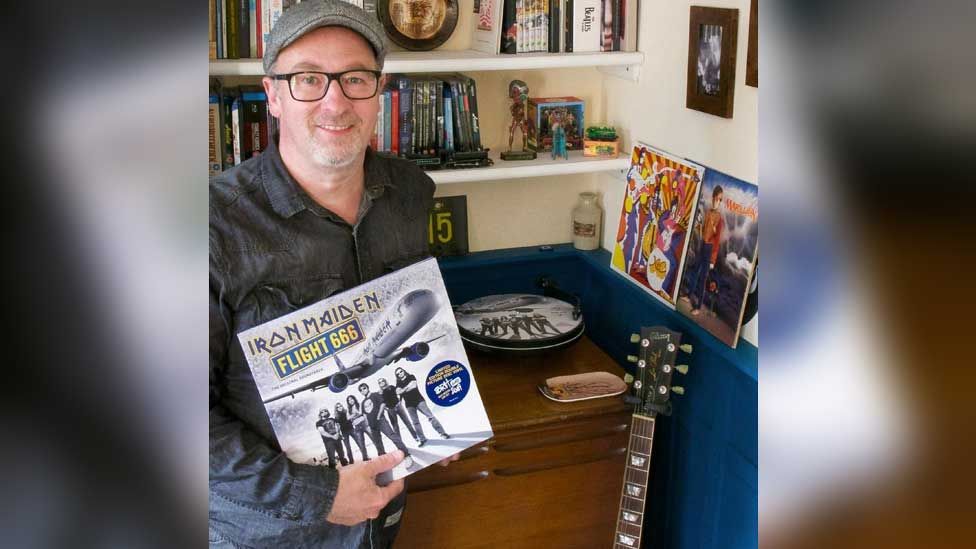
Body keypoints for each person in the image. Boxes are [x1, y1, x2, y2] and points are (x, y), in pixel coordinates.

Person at [209, 1, 457, 546]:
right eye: (308, 79)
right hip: (268, 535)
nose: (335, 100)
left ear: (380, 90)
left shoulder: (411, 193)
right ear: (272, 95)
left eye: (355, 78)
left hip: (384, 513)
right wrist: (321, 496)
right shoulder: (209, 226)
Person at [684, 185, 725, 316]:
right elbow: (702, 230)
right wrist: (699, 225)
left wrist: (712, 259)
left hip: (710, 250)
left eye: (720, 200)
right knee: (695, 271)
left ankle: (698, 306)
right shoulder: (708, 212)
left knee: (703, 278)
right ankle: (689, 295)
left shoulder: (720, 218)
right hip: (702, 244)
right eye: (717, 198)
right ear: (713, 197)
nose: (717, 201)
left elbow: (717, 240)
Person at [394, 366, 450, 446]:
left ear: (404, 371)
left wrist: (403, 390)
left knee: (430, 417)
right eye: (398, 373)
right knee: (415, 422)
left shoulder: (411, 376)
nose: (400, 374)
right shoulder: (398, 383)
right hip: (409, 405)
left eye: (401, 371)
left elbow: (413, 386)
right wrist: (406, 388)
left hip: (419, 400)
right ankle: (422, 439)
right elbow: (398, 392)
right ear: (397, 375)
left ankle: (442, 433)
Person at [358, 383, 412, 461]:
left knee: (392, 436)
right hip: (372, 425)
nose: (363, 390)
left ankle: (406, 454)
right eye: (361, 390)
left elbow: (383, 404)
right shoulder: (363, 403)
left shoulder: (375, 395)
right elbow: (365, 414)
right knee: (378, 443)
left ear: (367, 388)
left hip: (380, 421)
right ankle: (383, 459)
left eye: (364, 388)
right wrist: (368, 424)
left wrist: (379, 416)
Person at [378, 377, 418, 443]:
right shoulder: (380, 393)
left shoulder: (391, 387)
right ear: (379, 384)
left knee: (407, 422)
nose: (381, 383)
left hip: (398, 406)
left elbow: (400, 392)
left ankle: (416, 437)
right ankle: (400, 442)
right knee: (395, 426)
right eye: (380, 382)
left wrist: (400, 401)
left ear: (385, 381)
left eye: (382, 381)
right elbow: (380, 402)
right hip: (390, 410)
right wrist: (386, 409)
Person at [346, 394, 370, 462]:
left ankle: (381, 452)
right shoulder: (349, 409)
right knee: (361, 443)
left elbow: (361, 412)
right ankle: (365, 458)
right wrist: (355, 414)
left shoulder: (359, 404)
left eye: (351, 399)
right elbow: (348, 418)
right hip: (357, 427)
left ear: (354, 399)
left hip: (364, 424)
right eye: (349, 400)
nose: (350, 401)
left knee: (373, 437)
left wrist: (354, 415)